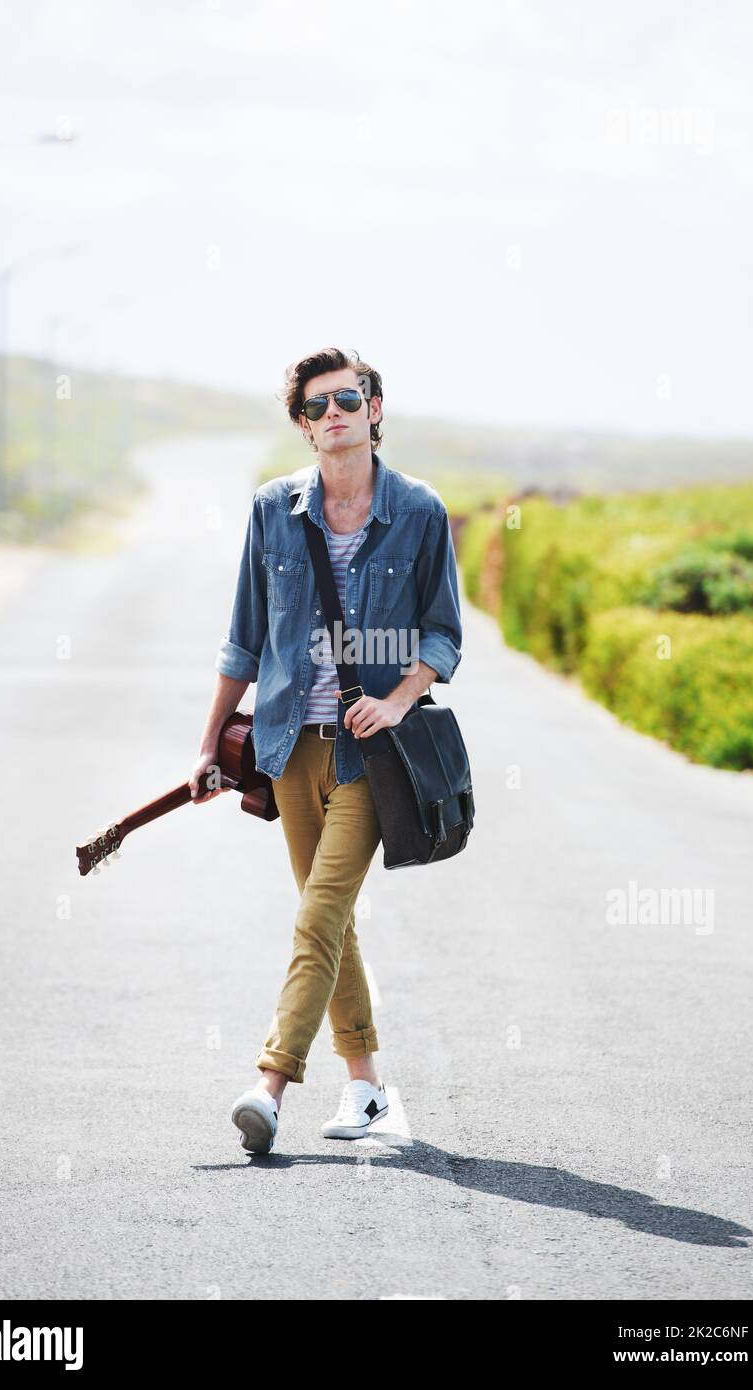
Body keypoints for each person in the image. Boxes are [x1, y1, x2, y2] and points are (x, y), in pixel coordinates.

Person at [189, 347, 463, 1153]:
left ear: (375, 410)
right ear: (304, 427)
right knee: (332, 921)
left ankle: (269, 1087)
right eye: (316, 406)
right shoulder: (274, 510)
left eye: (347, 398)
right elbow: (243, 640)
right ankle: (368, 1089)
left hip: (371, 758)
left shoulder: (418, 511)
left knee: (316, 917)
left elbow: (444, 631)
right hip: (287, 750)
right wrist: (209, 744)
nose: (333, 412)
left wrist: (397, 698)